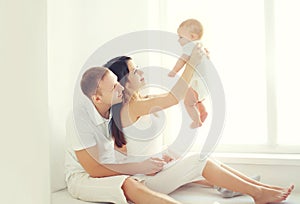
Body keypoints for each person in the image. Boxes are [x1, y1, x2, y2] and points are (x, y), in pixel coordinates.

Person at [105, 56, 294, 204]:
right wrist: (190, 62)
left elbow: (177, 93)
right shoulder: (132, 107)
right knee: (198, 160)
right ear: (125, 82)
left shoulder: (140, 100)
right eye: (135, 71)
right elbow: (173, 97)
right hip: (145, 183)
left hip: (153, 171)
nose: (141, 72)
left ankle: (259, 187)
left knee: (205, 160)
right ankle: (257, 193)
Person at [64, 46, 203, 204]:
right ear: (97, 99)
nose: (121, 87)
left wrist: (151, 161)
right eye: (114, 87)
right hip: (83, 178)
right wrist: (139, 167)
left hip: (110, 169)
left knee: (150, 177)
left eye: (118, 82)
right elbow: (94, 170)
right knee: (128, 183)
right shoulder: (79, 118)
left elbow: (120, 150)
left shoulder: (113, 110)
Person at [168, 19, 209, 128]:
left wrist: (174, 71)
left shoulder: (190, 45)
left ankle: (197, 121)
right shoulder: (200, 45)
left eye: (180, 37)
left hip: (199, 81)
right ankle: (203, 112)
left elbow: (182, 60)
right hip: (204, 82)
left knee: (188, 103)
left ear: (192, 37)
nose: (178, 40)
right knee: (196, 100)